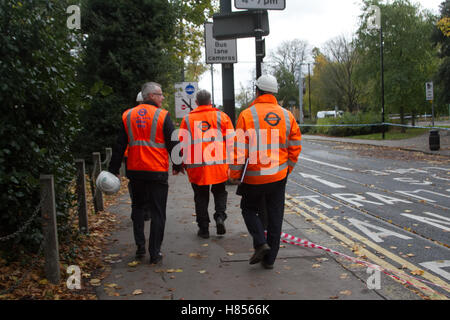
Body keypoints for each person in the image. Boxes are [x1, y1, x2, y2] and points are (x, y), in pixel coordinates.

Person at [229, 74, 302, 269]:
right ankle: (269, 261)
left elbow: (238, 149)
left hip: (254, 176)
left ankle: (260, 242)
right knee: (275, 216)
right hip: (278, 175)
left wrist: (235, 174)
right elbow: (295, 145)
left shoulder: (247, 115)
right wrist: (288, 169)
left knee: (248, 209)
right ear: (275, 93)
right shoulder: (287, 116)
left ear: (257, 91)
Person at [109, 82, 184, 264]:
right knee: (158, 212)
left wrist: (113, 170)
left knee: (138, 208)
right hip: (157, 171)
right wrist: (178, 165)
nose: (162, 97)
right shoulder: (162, 115)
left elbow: (120, 145)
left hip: (135, 171)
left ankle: (140, 247)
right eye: (160, 94)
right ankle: (155, 252)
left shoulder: (128, 115)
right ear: (150, 96)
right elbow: (173, 143)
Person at [179, 89, 235, 239]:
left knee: (200, 197)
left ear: (196, 103)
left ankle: (203, 229)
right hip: (218, 164)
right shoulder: (222, 117)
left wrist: (181, 163)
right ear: (210, 101)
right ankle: (220, 217)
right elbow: (231, 141)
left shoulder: (187, 120)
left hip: (196, 166)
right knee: (220, 192)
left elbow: (182, 143)